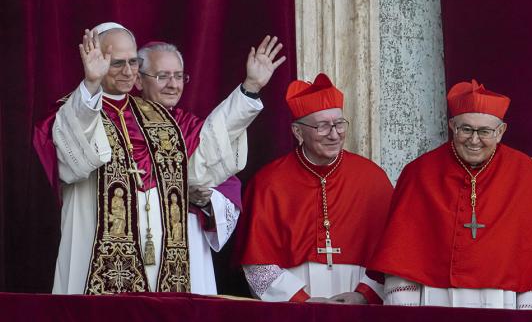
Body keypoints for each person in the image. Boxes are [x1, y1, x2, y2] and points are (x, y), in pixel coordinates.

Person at [38, 22, 285, 294]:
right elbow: (74, 158)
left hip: (161, 261)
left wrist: (249, 89)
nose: (129, 71)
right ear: (95, 61)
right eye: (117, 63)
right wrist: (91, 83)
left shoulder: (161, 117)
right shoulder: (76, 109)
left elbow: (208, 154)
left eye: (133, 62)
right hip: (95, 256)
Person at [369, 79, 532, 309]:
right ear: (452, 126)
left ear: (501, 132)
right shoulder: (420, 173)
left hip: (504, 304)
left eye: (485, 131)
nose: (474, 140)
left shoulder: (527, 174)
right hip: (435, 303)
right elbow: (401, 258)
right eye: (466, 129)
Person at [237, 73, 393, 303]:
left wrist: (364, 295)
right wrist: (301, 302)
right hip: (293, 309)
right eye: (322, 126)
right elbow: (257, 265)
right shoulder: (269, 182)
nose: (334, 134)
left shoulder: (373, 178)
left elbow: (392, 252)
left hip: (359, 306)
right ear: (298, 132)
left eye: (339, 124)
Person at [135, 41, 244, 294]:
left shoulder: (195, 129)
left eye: (178, 76)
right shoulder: (122, 126)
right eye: (163, 76)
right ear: (139, 81)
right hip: (136, 240)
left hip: (188, 243)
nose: (173, 85)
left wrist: (206, 200)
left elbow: (227, 186)